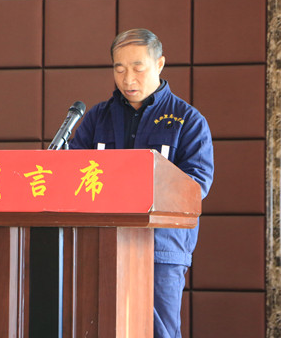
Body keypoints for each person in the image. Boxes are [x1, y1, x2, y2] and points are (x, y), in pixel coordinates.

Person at [70, 28, 214, 337]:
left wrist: (136, 187)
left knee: (158, 332)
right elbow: (71, 172)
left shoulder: (188, 120)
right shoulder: (97, 118)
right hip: (100, 245)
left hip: (160, 249)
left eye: (138, 68)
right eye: (119, 69)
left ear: (159, 64)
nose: (128, 79)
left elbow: (196, 185)